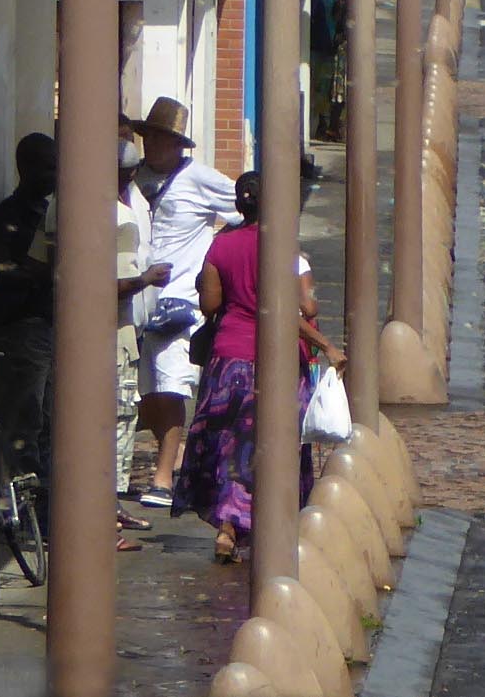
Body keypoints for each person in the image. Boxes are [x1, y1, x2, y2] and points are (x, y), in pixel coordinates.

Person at [177, 172, 343, 563]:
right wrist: (326, 345)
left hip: (228, 361)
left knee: (226, 446)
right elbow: (305, 309)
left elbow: (210, 305)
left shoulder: (220, 248)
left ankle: (227, 527)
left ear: (239, 205)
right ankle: (268, 527)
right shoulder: (283, 251)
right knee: (274, 445)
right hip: (277, 362)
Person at [127, 97, 238, 509]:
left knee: (170, 382)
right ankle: (172, 460)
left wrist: (214, 256)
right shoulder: (134, 179)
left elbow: (244, 209)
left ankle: (163, 473)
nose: (153, 145)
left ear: (178, 145)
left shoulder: (200, 179)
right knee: (145, 388)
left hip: (179, 301)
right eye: (149, 137)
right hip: (137, 296)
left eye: (163, 139)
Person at [0, 134, 59, 472]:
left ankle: (44, 501)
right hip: (17, 331)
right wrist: (44, 272)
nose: (55, 175)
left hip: (42, 330)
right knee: (24, 421)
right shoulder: (10, 215)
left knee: (48, 420)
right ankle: (21, 503)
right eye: (48, 167)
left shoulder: (48, 213)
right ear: (27, 167)